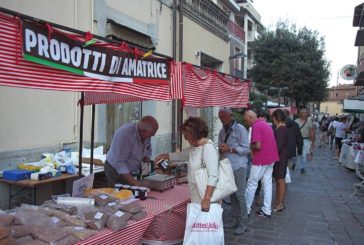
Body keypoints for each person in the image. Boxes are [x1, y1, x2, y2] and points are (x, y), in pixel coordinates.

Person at [155, 117, 219, 214]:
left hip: (205, 201)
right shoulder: (195, 148)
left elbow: (213, 176)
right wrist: (166, 156)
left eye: (186, 134)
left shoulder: (208, 148)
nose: (185, 137)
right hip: (196, 198)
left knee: (203, 227)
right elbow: (181, 155)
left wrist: (206, 199)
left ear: (194, 134)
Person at [218, 107, 249, 235]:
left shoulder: (240, 129)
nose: (221, 119)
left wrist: (229, 149)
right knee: (232, 195)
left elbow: (246, 150)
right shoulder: (221, 131)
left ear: (230, 116)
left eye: (223, 116)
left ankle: (243, 223)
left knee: (240, 195)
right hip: (227, 166)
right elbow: (221, 148)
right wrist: (221, 149)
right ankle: (235, 220)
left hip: (239, 166)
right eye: (220, 116)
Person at [104, 116, 158, 187]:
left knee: (131, 192)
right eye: (152, 133)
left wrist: (147, 157)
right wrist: (134, 182)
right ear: (143, 130)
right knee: (119, 195)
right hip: (115, 170)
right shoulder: (125, 135)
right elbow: (119, 163)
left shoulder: (146, 135)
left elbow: (148, 147)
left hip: (129, 170)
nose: (153, 135)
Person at [243, 110, 279, 218]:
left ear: (250, 118)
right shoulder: (265, 124)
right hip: (271, 158)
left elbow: (257, 146)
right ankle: (266, 210)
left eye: (246, 120)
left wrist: (249, 146)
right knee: (267, 183)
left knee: (251, 184)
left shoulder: (256, 126)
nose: (246, 123)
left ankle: (246, 209)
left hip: (261, 159)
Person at [271, 109, 289, 212]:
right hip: (280, 156)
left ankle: (280, 203)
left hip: (281, 157)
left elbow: (278, 146)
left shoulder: (281, 129)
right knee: (278, 180)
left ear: (276, 118)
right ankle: (277, 201)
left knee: (280, 179)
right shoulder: (280, 128)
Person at [294, 107, 314, 174]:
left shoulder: (309, 122)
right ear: (300, 114)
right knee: (295, 154)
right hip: (296, 140)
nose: (305, 114)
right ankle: (294, 163)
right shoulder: (296, 121)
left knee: (304, 155)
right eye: (304, 113)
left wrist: (312, 142)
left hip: (305, 140)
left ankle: (302, 168)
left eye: (306, 113)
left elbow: (311, 132)